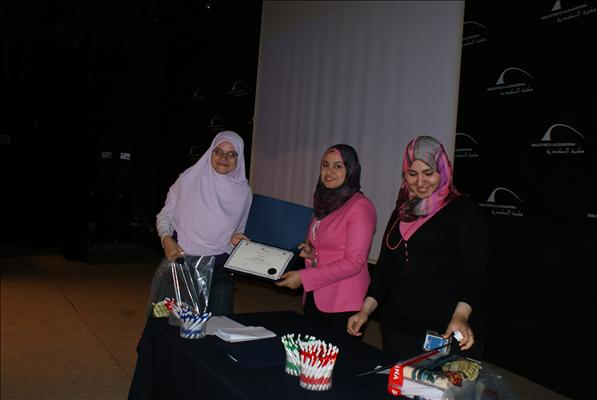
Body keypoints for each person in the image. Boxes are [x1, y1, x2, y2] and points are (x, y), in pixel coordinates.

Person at [347, 135, 489, 361]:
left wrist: (461, 316)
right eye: (412, 174)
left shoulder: (464, 210)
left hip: (446, 330)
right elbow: (385, 269)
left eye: (428, 173)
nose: (420, 182)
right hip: (398, 329)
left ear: (443, 170)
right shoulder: (402, 211)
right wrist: (365, 311)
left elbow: (475, 273)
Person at [276, 144, 376, 338]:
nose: (329, 172)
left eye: (338, 166)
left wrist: (304, 278)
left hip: (343, 302)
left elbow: (354, 261)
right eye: (325, 165)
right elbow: (329, 250)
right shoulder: (324, 202)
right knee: (311, 353)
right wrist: (311, 254)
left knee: (339, 356)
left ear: (350, 170)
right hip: (316, 294)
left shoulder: (360, 206)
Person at [152, 130, 252, 315]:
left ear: (239, 158)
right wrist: (166, 238)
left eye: (231, 154)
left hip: (220, 267)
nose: (223, 158)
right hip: (183, 261)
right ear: (210, 152)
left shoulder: (244, 193)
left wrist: (236, 239)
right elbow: (164, 216)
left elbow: (237, 230)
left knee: (219, 324)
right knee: (176, 322)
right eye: (218, 151)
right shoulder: (188, 179)